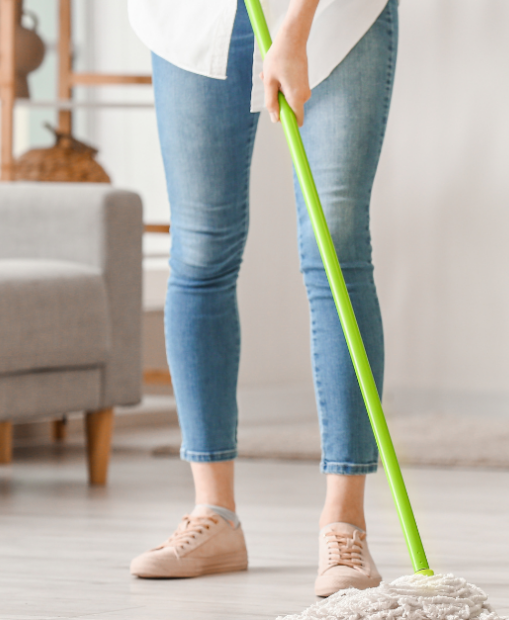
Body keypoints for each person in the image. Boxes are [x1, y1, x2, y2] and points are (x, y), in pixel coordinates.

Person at [126, 0, 398, 597]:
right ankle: (214, 516)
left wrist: (295, 27)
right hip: (194, 19)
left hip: (332, 18)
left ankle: (344, 522)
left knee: (336, 246)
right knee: (198, 254)